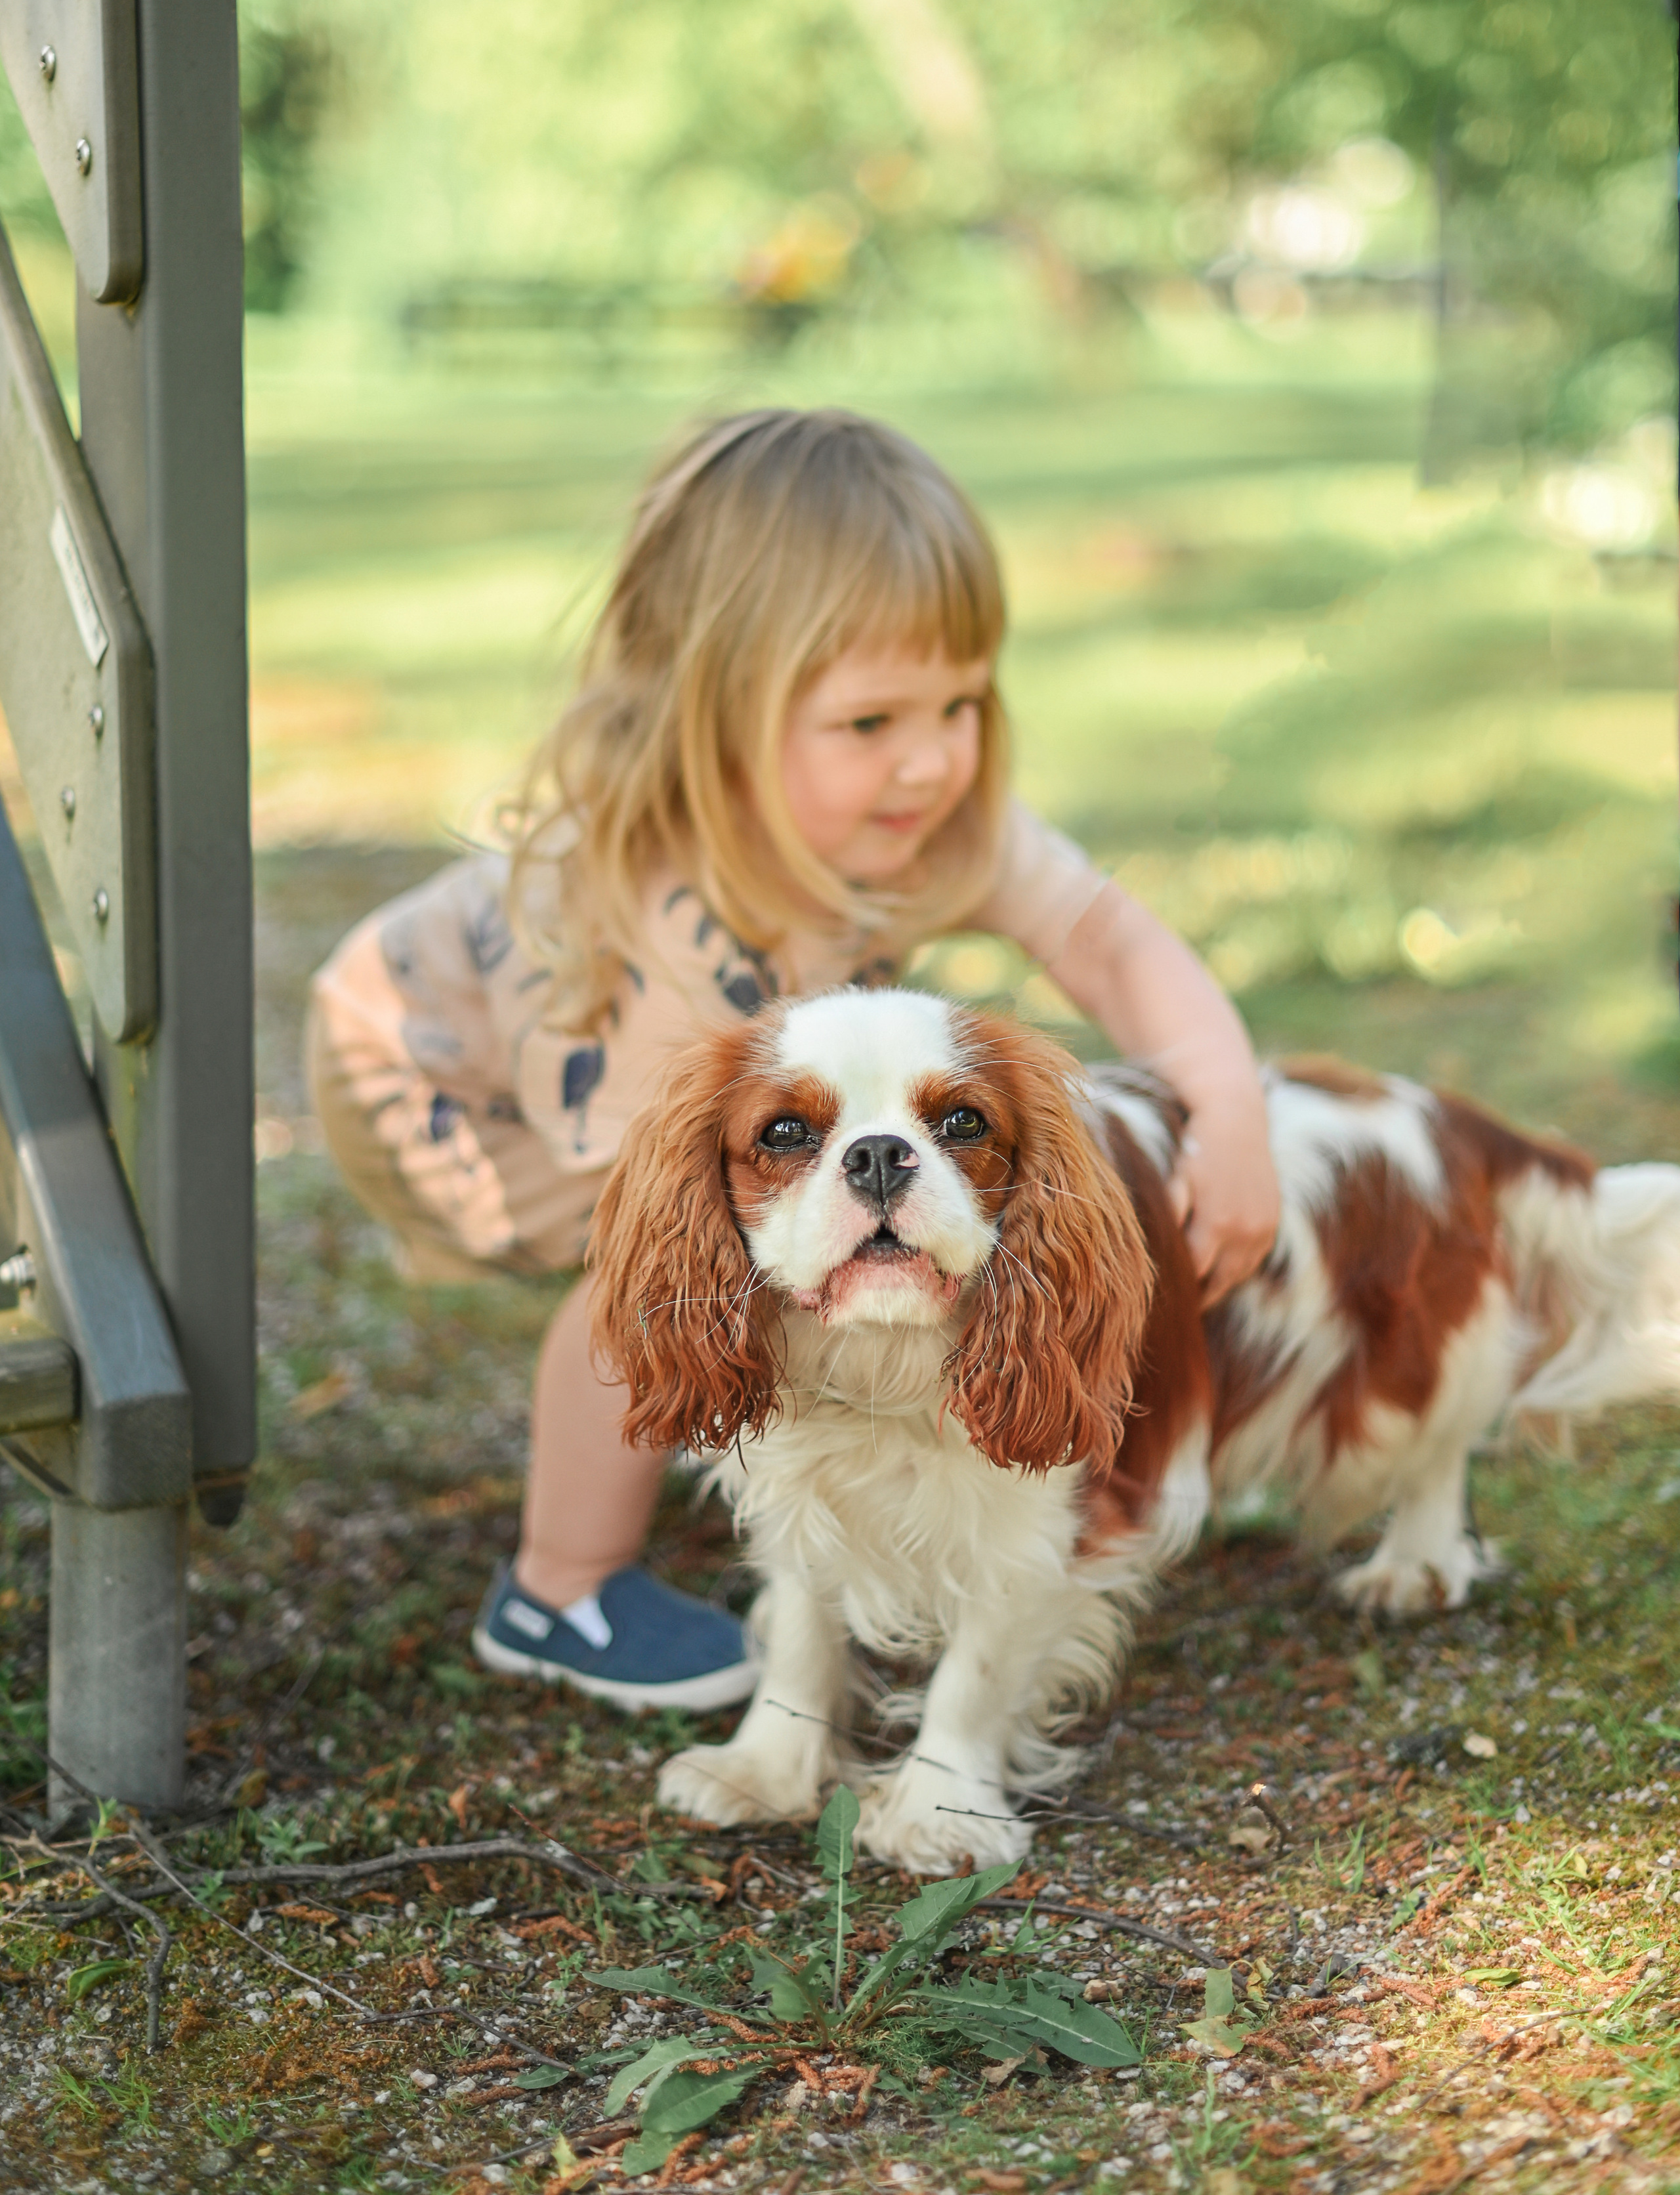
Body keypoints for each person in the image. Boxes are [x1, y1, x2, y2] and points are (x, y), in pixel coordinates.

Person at [306, 408, 1280, 1714]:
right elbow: (667, 1216)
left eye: (962, 701)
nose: (931, 758)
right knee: (648, 1268)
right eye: (871, 718)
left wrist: (1226, 1102)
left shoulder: (924, 813)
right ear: (718, 723)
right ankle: (561, 1586)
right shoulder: (662, 924)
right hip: (428, 1069)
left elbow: (1106, 939)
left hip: (543, 1050)